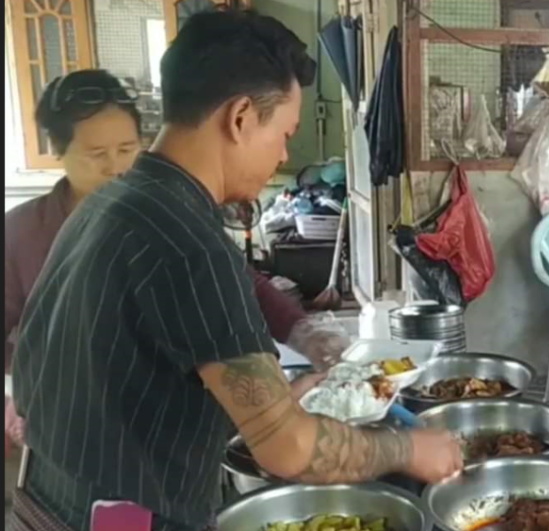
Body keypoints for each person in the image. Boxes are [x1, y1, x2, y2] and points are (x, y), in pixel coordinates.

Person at [9, 10, 462, 531]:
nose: (282, 155)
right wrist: (409, 449)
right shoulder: (189, 243)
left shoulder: (110, 202)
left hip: (40, 519)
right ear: (242, 116)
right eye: (285, 134)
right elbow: (289, 451)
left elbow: (131, 374)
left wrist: (277, 394)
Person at [4, 69, 347, 453]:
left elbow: (232, 277)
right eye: (97, 154)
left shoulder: (162, 216)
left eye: (127, 148)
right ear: (58, 149)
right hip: (64, 437)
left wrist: (303, 332)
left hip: (160, 435)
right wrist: (11, 405)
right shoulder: (21, 233)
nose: (116, 166)